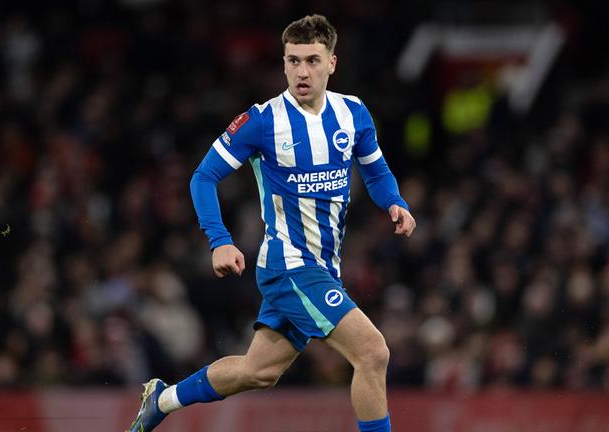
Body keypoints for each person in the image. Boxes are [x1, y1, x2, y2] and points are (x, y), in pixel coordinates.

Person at [127, 14, 415, 432]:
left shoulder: (353, 113)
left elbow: (374, 170)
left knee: (259, 371)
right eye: (293, 60)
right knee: (373, 353)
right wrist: (219, 240)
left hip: (323, 267)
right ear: (283, 64)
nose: (302, 71)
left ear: (332, 63)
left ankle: (163, 399)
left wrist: (395, 203)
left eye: (313, 60)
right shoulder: (262, 121)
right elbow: (203, 177)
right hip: (290, 265)